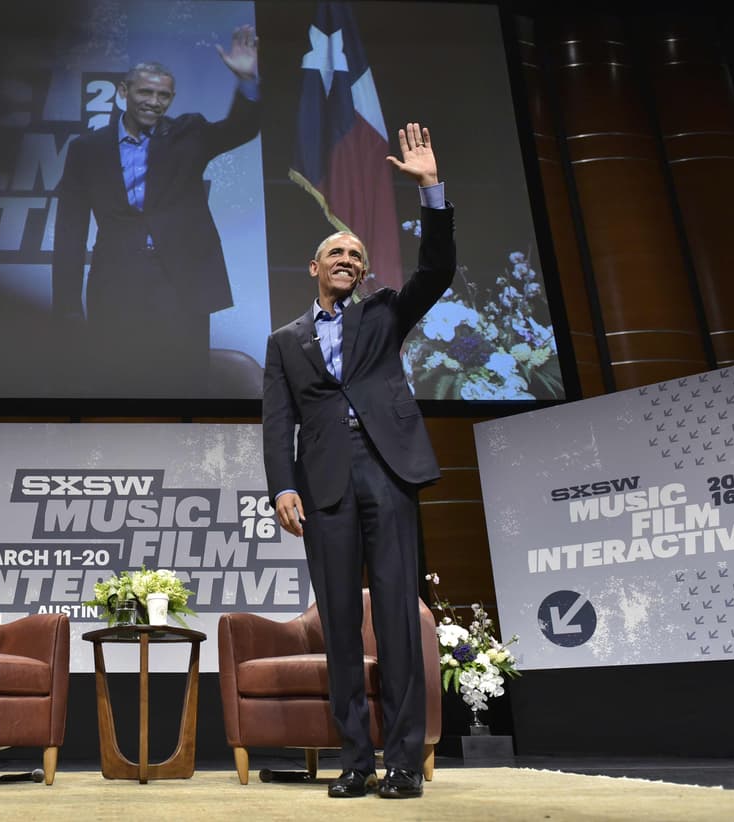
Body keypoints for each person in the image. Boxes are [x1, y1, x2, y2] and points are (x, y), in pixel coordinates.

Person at [261, 123, 452, 800]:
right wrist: (281, 486)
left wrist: (430, 187)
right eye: (334, 251)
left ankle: (403, 764)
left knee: (397, 616)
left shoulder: (384, 315)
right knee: (340, 622)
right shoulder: (284, 341)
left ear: (364, 270)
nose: (346, 257)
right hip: (325, 485)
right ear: (314, 268)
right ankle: (357, 761)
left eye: (356, 252)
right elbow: (277, 417)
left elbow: (437, 270)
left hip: (389, 471)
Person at [51, 25, 260, 394]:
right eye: (145, 91)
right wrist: (67, 305)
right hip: (116, 283)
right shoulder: (87, 149)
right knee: (115, 385)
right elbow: (70, 230)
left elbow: (240, 129)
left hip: (182, 284)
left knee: (184, 386)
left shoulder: (188, 133)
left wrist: (245, 80)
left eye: (163, 95)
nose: (154, 101)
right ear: (123, 92)